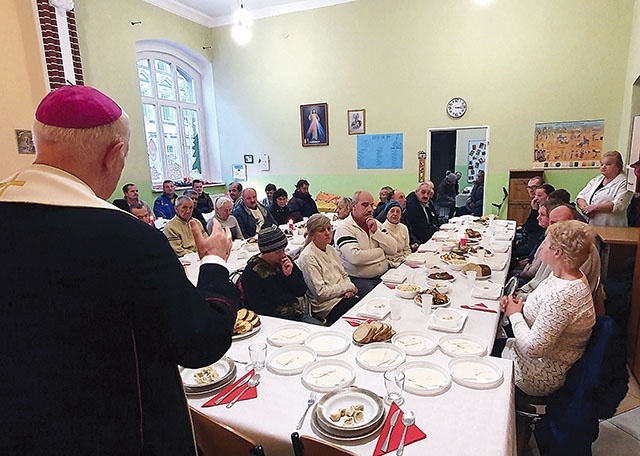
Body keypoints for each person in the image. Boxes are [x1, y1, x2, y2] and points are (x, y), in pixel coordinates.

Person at [0, 85, 239, 454]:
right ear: (114, 155)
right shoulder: (126, 238)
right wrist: (213, 261)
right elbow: (199, 340)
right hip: (115, 432)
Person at [498, 220, 596, 396]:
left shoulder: (565, 294)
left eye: (546, 243)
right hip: (530, 356)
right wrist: (520, 306)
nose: (541, 247)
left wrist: (514, 315)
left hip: (537, 374)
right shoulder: (562, 275)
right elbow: (546, 312)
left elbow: (533, 349)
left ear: (558, 252)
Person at [242, 226, 322, 324]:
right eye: (277, 252)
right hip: (274, 321)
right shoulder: (252, 272)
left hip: (296, 314)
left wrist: (290, 275)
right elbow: (259, 308)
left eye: (284, 249)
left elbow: (301, 291)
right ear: (265, 251)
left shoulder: (285, 261)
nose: (282, 254)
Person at [297, 214, 359, 324]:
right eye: (321, 230)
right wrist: (347, 287)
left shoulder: (330, 249)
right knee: (358, 311)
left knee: (364, 305)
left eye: (329, 229)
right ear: (312, 235)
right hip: (326, 306)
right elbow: (320, 294)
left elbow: (344, 275)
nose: (327, 233)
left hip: (342, 296)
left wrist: (349, 290)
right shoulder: (308, 257)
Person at [334, 191, 397, 296]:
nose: (370, 209)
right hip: (359, 279)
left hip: (383, 274)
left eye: (372, 205)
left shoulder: (375, 224)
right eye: (365, 205)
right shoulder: (345, 227)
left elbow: (393, 249)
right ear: (353, 206)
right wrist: (381, 252)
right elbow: (355, 258)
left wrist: (376, 233)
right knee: (379, 298)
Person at [576, 150, 632, 226]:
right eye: (602, 164)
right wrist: (585, 208)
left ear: (618, 166)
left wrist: (594, 208)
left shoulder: (624, 182)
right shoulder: (596, 180)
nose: (603, 167)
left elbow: (618, 205)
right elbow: (581, 196)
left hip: (611, 226)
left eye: (608, 164)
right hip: (590, 224)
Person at [381, 201, 411, 268]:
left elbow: (407, 249)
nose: (395, 214)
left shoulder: (404, 228)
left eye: (398, 212)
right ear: (387, 213)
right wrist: (394, 265)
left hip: (403, 262)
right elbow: (382, 254)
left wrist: (404, 260)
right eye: (392, 211)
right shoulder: (381, 229)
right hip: (388, 265)